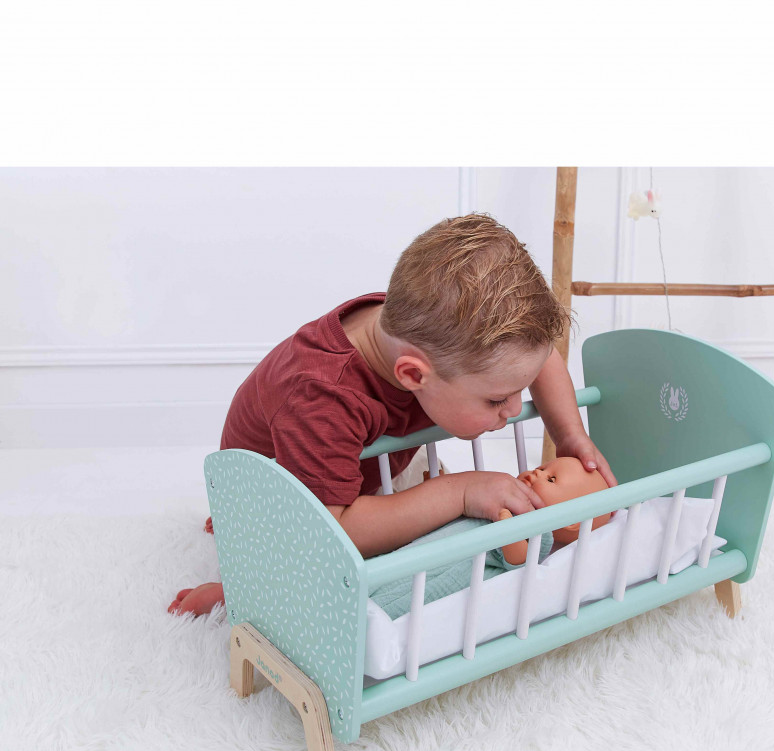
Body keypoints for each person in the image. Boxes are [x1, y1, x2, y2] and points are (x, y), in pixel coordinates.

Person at [168, 213, 618, 617]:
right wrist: (460, 492)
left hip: (351, 472)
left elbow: (540, 358)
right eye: (496, 400)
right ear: (413, 375)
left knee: (446, 529)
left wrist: (569, 434)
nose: (515, 409)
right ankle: (243, 591)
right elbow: (334, 529)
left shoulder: (423, 326)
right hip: (285, 511)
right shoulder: (323, 398)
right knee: (330, 579)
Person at [369, 456, 615, 620]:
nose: (535, 474)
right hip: (427, 549)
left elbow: (520, 560)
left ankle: (366, 619)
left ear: (572, 522)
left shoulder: (537, 533)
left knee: (399, 598)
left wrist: (506, 525)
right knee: (386, 567)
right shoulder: (497, 496)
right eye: (541, 469)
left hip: (446, 571)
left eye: (550, 479)